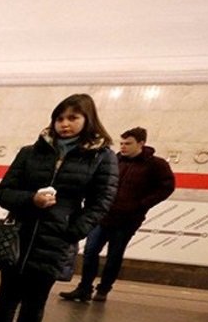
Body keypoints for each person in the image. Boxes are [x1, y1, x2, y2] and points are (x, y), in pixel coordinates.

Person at [0, 94, 118, 322]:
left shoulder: (102, 157)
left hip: (57, 238)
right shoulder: (31, 152)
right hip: (20, 234)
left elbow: (101, 202)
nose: (65, 124)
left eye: (73, 118)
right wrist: (32, 199)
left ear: (87, 120)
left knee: (36, 301)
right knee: (7, 296)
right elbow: (4, 192)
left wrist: (73, 230)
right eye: (60, 118)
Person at [59, 126, 174, 303]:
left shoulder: (156, 165)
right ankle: (84, 288)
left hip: (127, 219)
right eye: (121, 143)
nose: (123, 147)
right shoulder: (115, 160)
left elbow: (166, 187)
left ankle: (103, 289)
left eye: (128, 143)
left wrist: (142, 205)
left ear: (141, 143)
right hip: (103, 215)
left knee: (114, 255)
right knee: (90, 251)